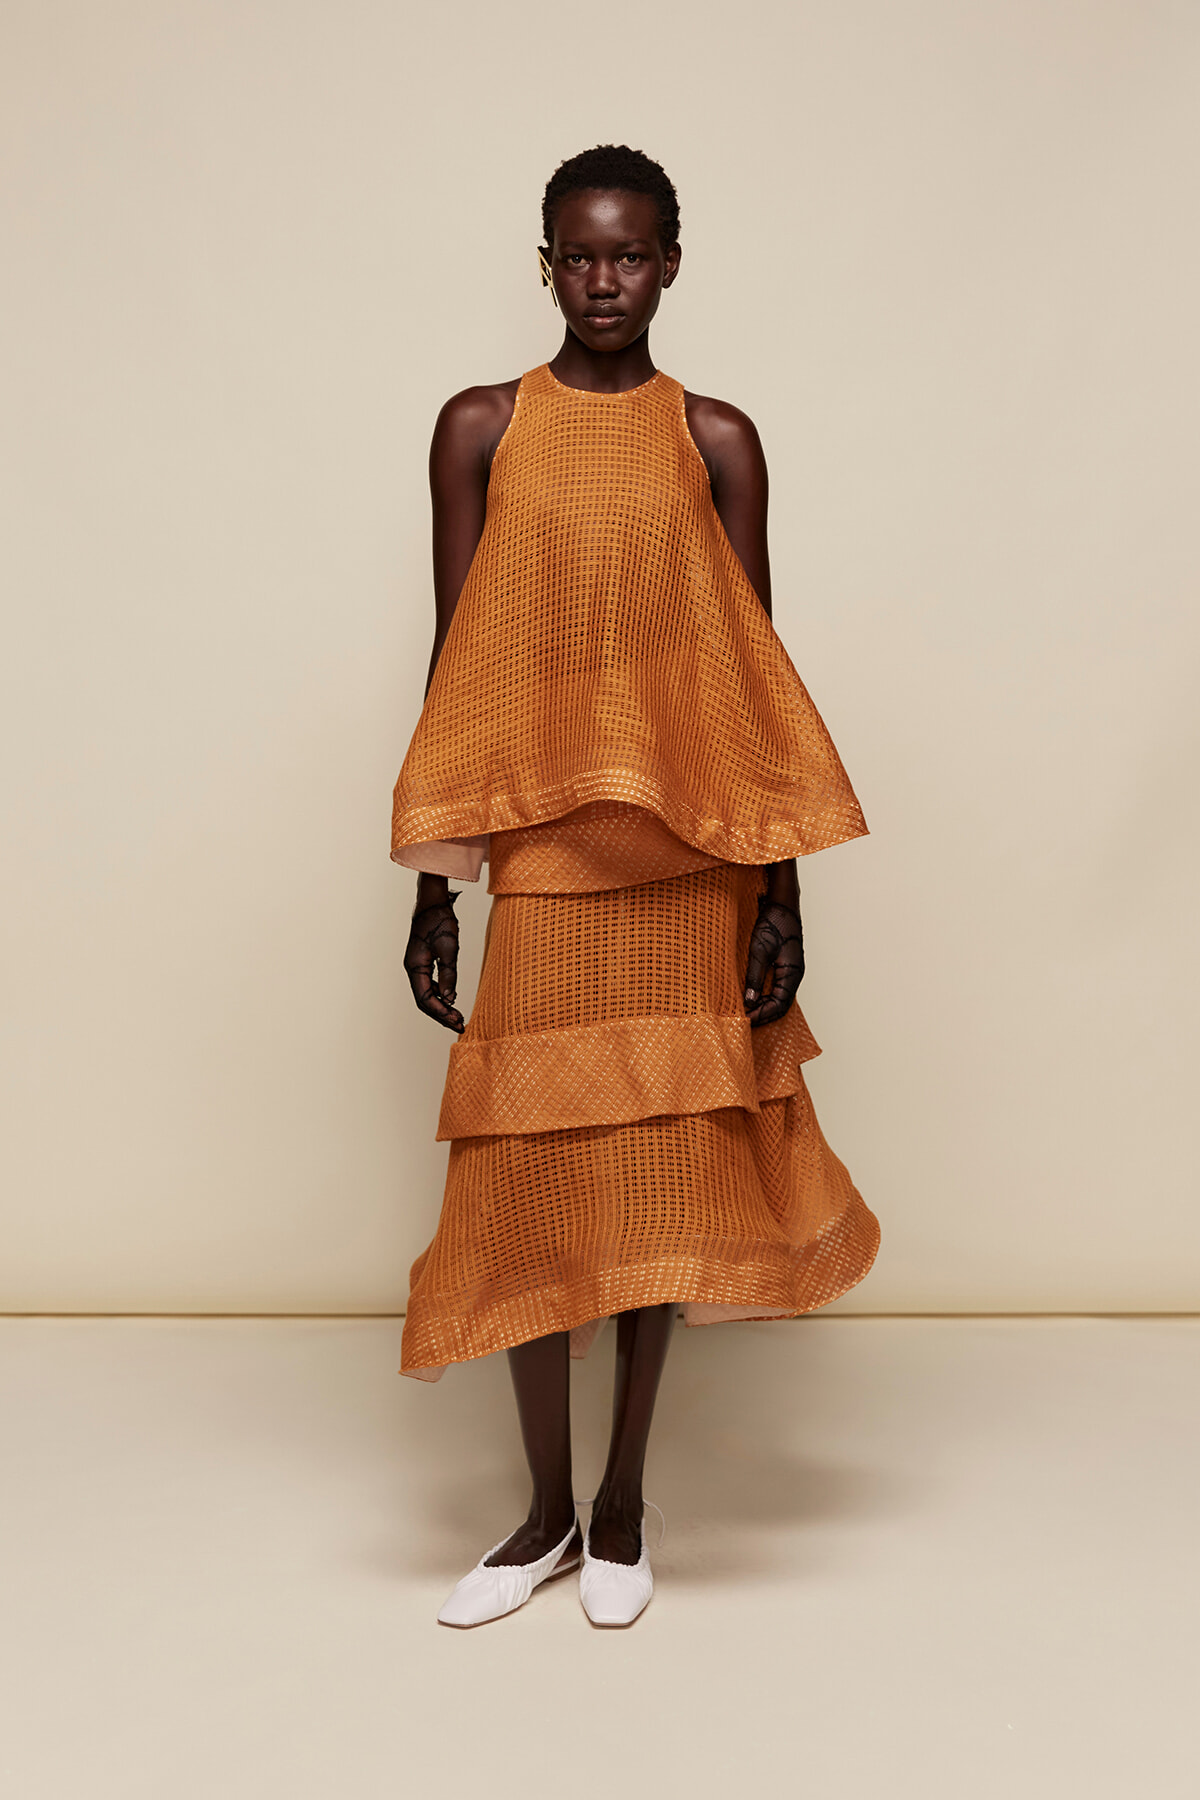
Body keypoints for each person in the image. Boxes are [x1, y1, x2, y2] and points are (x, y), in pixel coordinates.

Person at [390, 144, 879, 1628]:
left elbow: (752, 684)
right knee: (533, 1182)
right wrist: (434, 884)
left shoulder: (715, 439)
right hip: (540, 845)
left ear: (673, 262)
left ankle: (620, 1507)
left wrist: (782, 891)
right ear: (546, 264)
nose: (606, 279)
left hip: (691, 860)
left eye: (632, 253)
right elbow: (456, 668)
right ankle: (538, 1510)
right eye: (579, 255)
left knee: (665, 1170)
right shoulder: (481, 428)